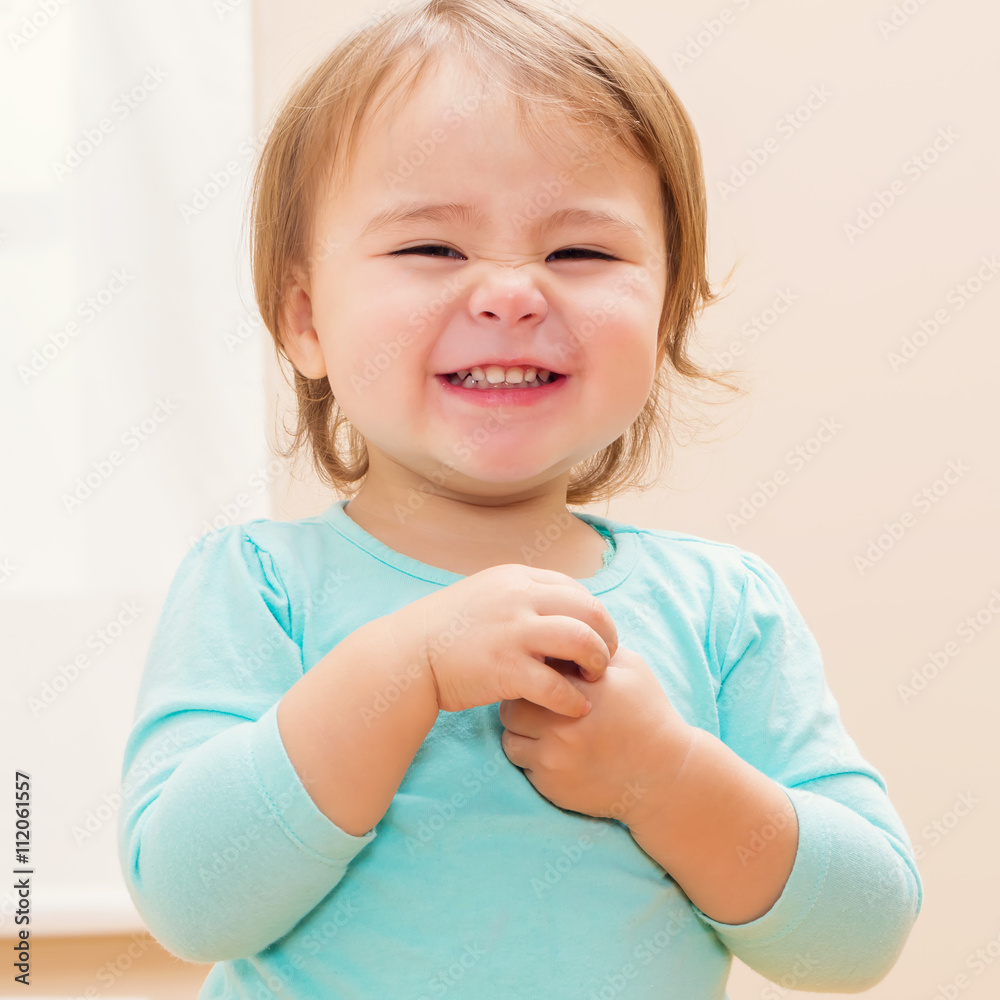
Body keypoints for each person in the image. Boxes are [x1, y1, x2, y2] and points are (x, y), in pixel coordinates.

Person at [117, 1, 922, 997]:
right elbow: (193, 902)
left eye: (579, 253)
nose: (510, 293)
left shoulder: (723, 607)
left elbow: (855, 940)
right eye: (430, 249)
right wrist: (404, 667)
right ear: (304, 316)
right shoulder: (257, 586)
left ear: (665, 312)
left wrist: (661, 778)